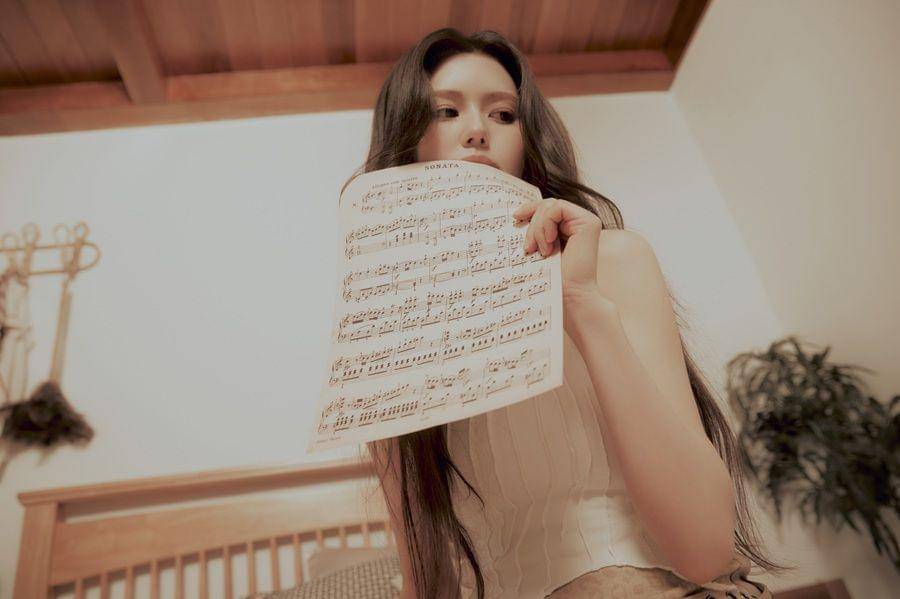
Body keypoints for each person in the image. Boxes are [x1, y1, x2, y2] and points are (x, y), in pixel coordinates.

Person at [351, 28, 794, 599]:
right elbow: (425, 577)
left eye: (504, 114)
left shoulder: (613, 259)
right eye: (445, 111)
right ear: (404, 137)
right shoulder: (381, 333)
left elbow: (706, 549)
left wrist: (581, 303)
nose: (478, 130)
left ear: (527, 139)